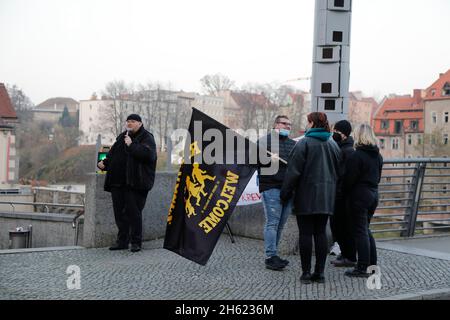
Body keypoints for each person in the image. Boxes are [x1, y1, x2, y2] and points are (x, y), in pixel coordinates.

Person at [280, 112, 341, 284]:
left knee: (305, 234)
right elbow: (339, 171)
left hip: (305, 195)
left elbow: (293, 172)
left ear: (312, 123)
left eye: (307, 122)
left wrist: (285, 193)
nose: (306, 125)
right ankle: (320, 273)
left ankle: (306, 273)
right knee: (321, 233)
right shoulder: (333, 144)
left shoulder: (304, 143)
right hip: (327, 197)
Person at [97, 114, 157, 253]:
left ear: (140, 124)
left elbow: (149, 156)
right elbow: (113, 154)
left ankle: (136, 242)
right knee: (119, 214)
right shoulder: (122, 136)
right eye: (128, 121)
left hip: (135, 183)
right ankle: (122, 241)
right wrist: (104, 163)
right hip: (118, 181)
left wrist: (132, 144)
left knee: (133, 213)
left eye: (133, 121)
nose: (129, 123)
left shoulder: (147, 137)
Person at [343, 124, 383, 277]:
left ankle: (362, 268)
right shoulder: (378, 155)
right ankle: (372, 265)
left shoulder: (356, 155)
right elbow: (378, 177)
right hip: (373, 194)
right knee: (365, 230)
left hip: (359, 195)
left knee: (360, 232)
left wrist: (343, 193)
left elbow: (349, 180)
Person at [257, 115, 296, 271]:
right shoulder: (264, 142)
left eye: (289, 125)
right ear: (275, 124)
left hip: (288, 189)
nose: (287, 126)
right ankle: (270, 256)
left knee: (280, 224)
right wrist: (267, 159)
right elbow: (253, 162)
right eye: (284, 123)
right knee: (272, 223)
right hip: (271, 187)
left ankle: (274, 255)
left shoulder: (293, 144)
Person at [330, 120, 357, 267]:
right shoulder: (341, 148)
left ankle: (349, 256)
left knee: (342, 227)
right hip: (339, 194)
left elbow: (344, 176)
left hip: (342, 196)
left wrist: (339, 193)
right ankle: (346, 254)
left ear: (344, 135)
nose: (334, 134)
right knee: (337, 226)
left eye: (337, 132)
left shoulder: (347, 151)